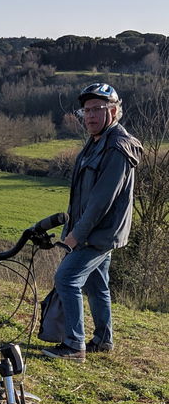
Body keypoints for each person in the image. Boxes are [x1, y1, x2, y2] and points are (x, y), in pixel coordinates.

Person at [42, 83, 143, 362]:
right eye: (86, 110)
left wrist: (77, 234)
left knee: (66, 279)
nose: (90, 116)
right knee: (97, 285)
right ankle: (103, 339)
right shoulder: (98, 141)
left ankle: (74, 345)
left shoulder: (117, 147)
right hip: (94, 231)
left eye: (98, 109)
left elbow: (101, 201)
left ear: (114, 111)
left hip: (97, 233)